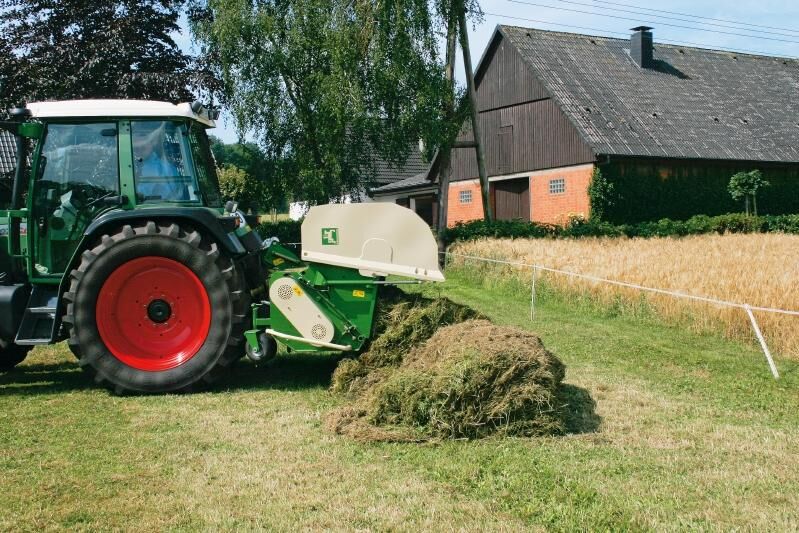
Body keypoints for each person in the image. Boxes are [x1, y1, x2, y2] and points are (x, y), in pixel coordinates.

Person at [133, 122, 187, 201]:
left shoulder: (152, 167)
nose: (139, 151)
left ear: (152, 143)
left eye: (142, 147)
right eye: (136, 149)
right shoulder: (160, 163)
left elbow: (139, 195)